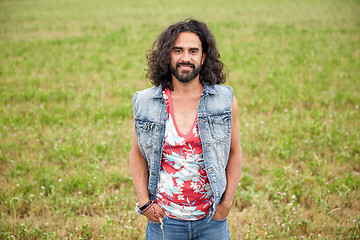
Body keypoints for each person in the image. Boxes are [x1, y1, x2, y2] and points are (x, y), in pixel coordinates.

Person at [130, 18, 242, 240]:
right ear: (168, 55)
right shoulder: (145, 102)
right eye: (178, 50)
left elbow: (235, 152)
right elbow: (137, 153)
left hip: (212, 220)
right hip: (165, 221)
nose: (185, 58)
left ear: (203, 56)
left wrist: (226, 203)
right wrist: (144, 203)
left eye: (193, 51)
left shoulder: (224, 100)